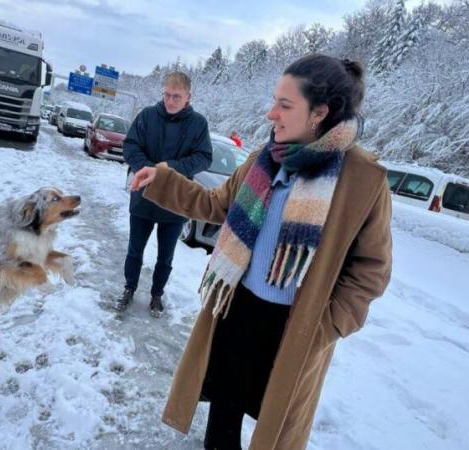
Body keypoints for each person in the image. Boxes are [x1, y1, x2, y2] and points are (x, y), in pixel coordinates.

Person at [130, 54, 392, 449]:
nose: (272, 113)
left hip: (296, 327)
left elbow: (371, 271)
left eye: (285, 105)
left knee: (274, 432)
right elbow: (215, 205)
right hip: (237, 309)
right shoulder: (263, 160)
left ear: (320, 112)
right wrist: (162, 179)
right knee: (222, 417)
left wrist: (328, 324)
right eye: (274, 100)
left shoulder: (362, 178)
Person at [116, 71, 212, 318]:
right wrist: (145, 168)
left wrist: (165, 170)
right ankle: (129, 287)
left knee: (165, 255)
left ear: (188, 97)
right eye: (167, 95)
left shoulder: (198, 124)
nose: (170, 101)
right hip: (143, 197)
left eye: (176, 97)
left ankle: (157, 294)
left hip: (175, 202)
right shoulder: (147, 116)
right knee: (134, 249)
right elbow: (130, 146)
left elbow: (203, 157)